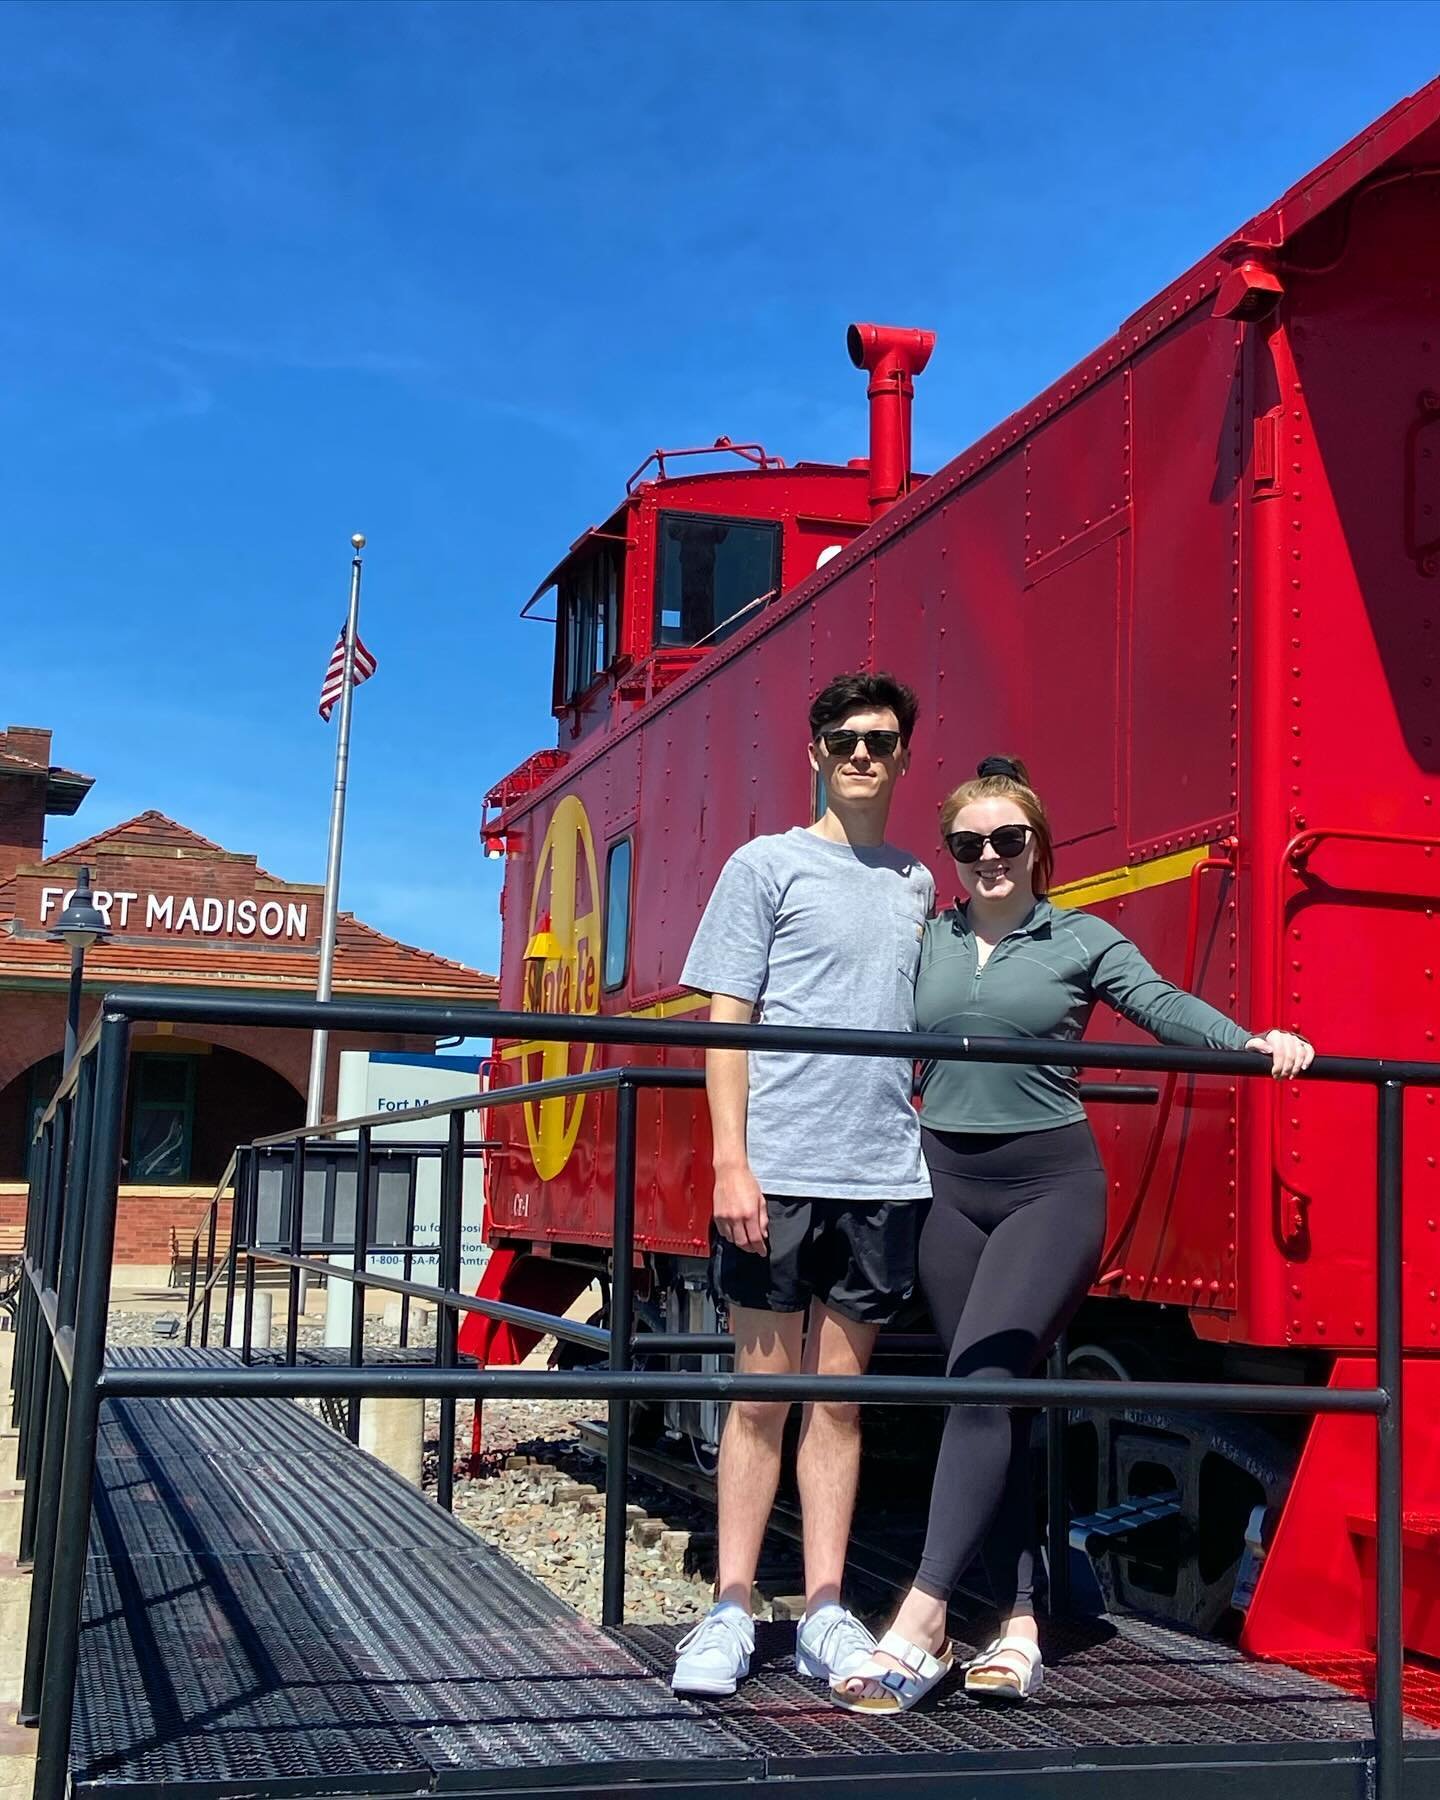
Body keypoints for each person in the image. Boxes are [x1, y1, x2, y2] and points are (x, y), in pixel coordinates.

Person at [833, 755, 1314, 1713]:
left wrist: (1252, 1043)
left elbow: (1160, 1004)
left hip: (1048, 1189)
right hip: (945, 1188)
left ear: (1037, 848)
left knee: (980, 1387)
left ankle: (923, 1617)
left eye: (1007, 840)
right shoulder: (927, 939)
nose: (989, 857)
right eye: (968, 843)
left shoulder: (1079, 937)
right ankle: (1018, 1625)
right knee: (994, 1402)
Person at [670, 670, 935, 1697]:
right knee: (759, 1399)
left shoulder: (916, 882)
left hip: (881, 1174)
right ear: (816, 753)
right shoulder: (765, 865)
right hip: (778, 1171)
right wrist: (731, 1163)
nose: (863, 754)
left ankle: (825, 1608)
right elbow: (726, 1022)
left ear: (903, 756)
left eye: (881, 740)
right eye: (845, 739)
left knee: (839, 1404)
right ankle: (731, 1607)